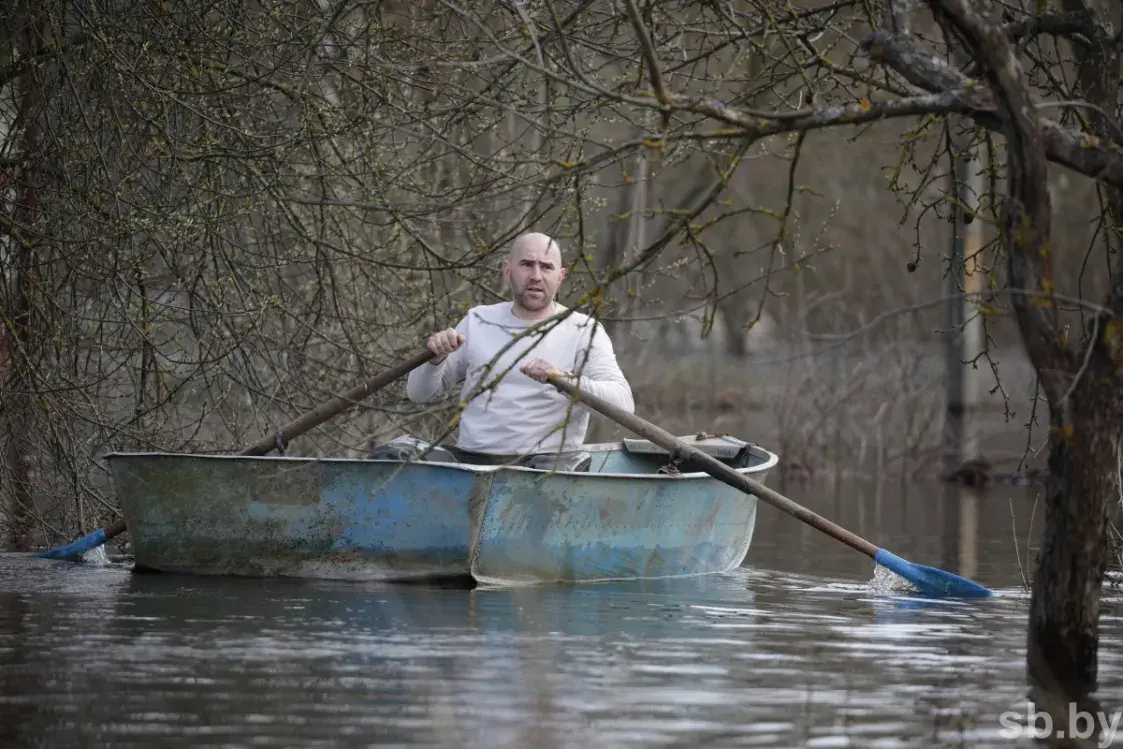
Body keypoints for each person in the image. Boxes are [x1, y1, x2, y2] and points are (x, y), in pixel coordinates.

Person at [375, 232, 634, 471]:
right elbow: (419, 395)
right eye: (526, 264)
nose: (536, 275)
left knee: (556, 470)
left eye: (546, 267)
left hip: (547, 464)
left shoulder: (584, 330)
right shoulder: (478, 321)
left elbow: (623, 404)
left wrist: (563, 380)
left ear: (561, 277)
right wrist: (435, 360)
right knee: (391, 454)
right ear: (508, 271)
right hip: (472, 463)